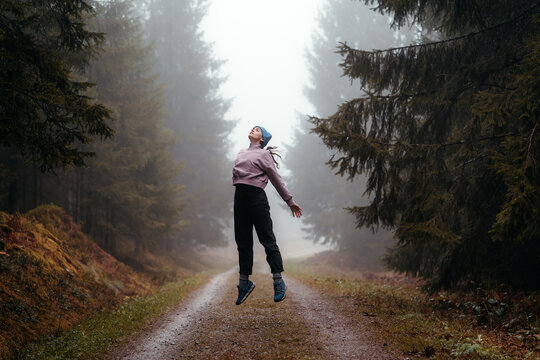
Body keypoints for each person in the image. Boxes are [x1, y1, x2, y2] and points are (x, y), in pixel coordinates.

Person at [232, 125, 302, 305]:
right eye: (252, 129)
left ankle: (278, 281)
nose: (252, 130)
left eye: (257, 130)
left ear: (262, 139)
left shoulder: (264, 154)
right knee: (243, 242)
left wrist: (289, 200)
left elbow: (276, 178)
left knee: (267, 239)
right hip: (239, 198)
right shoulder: (240, 152)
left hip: (257, 198)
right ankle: (244, 283)